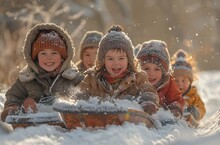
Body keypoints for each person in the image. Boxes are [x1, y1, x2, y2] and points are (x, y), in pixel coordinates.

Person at [1, 23, 84, 122]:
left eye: (54, 53)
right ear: (35, 58)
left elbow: (85, 98)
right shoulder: (27, 78)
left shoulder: (73, 78)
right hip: (34, 130)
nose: (48, 57)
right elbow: (13, 96)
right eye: (43, 53)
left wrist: (71, 104)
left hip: (64, 130)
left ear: (63, 57)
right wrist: (16, 108)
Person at [79, 25, 159, 117]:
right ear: (103, 60)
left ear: (129, 59)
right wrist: (81, 103)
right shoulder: (91, 78)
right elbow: (80, 95)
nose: (116, 63)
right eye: (110, 59)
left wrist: (148, 102)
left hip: (127, 122)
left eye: (121, 58)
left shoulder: (138, 78)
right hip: (99, 122)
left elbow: (149, 91)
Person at [137, 40, 184, 119]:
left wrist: (175, 108)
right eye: (146, 68)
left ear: (163, 72)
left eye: (157, 69)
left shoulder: (168, 83)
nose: (151, 73)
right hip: (142, 115)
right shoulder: (136, 81)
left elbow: (176, 98)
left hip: (162, 116)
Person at [171, 49, 206, 126]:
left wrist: (197, 112)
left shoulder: (193, 95)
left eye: (183, 81)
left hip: (190, 124)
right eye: (176, 81)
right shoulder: (169, 94)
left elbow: (202, 108)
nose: (180, 84)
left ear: (190, 82)